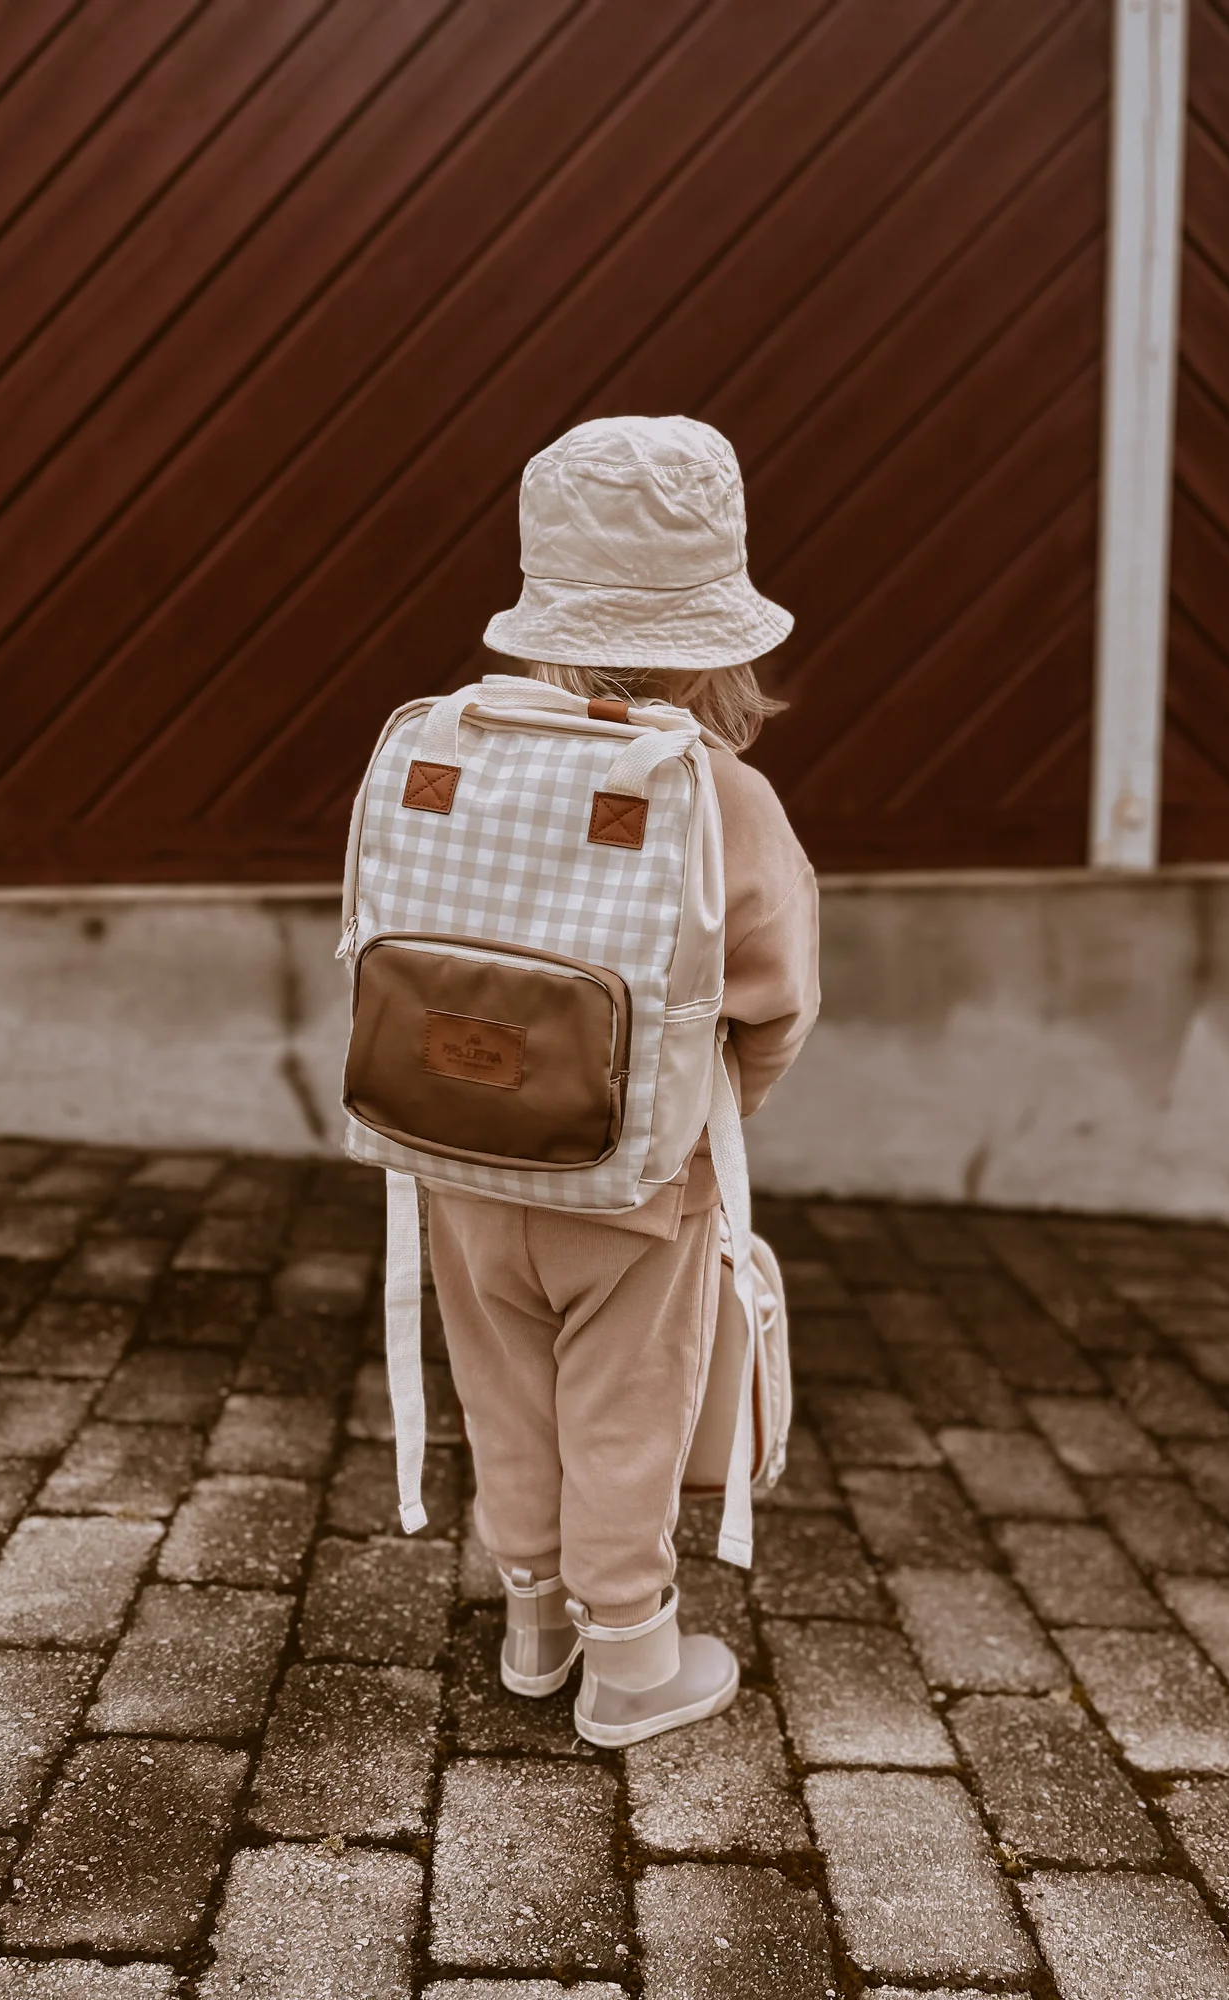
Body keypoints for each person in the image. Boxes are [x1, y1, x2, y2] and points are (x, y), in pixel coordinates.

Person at [425, 414, 820, 1744]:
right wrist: (721, 1104)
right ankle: (632, 1656)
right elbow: (777, 1004)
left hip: (462, 1153)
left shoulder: (465, 748)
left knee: (504, 1387)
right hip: (636, 1180)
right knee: (623, 1409)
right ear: (724, 647)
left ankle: (532, 1618)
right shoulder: (720, 798)